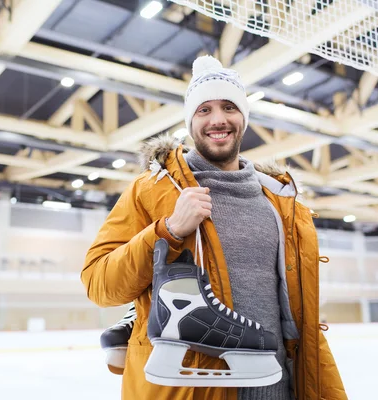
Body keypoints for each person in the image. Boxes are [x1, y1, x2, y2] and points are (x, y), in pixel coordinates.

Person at [81, 55, 347, 400]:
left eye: (228, 108)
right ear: (190, 121)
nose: (218, 120)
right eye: (204, 110)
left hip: (278, 386)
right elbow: (99, 285)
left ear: (244, 118)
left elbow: (298, 315)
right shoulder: (150, 191)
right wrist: (169, 231)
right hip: (193, 388)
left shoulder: (280, 203)